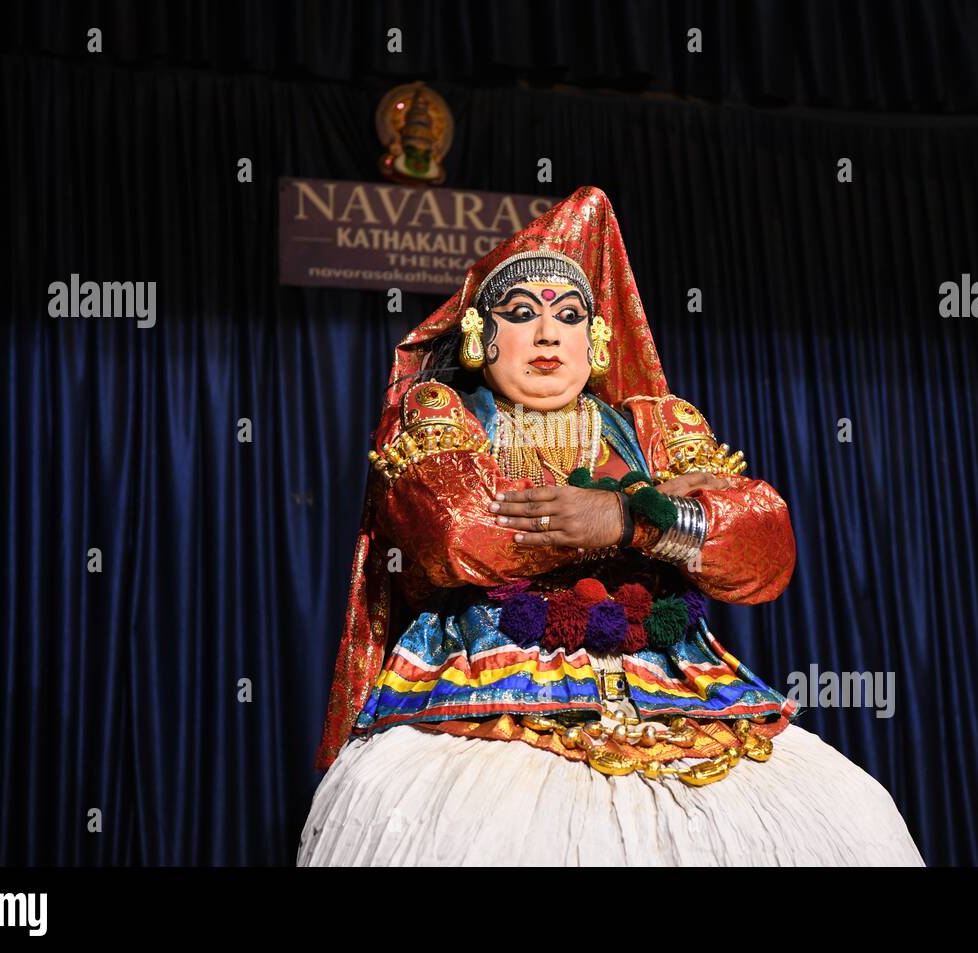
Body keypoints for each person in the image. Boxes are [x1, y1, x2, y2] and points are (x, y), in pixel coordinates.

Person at [298, 185, 923, 866]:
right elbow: (460, 536)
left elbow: (764, 548)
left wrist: (629, 519)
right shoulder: (439, 412)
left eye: (570, 315)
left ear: (594, 338)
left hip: (678, 688)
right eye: (521, 314)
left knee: (847, 819)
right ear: (481, 334)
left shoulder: (658, 425)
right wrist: (666, 509)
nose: (547, 334)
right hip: (487, 691)